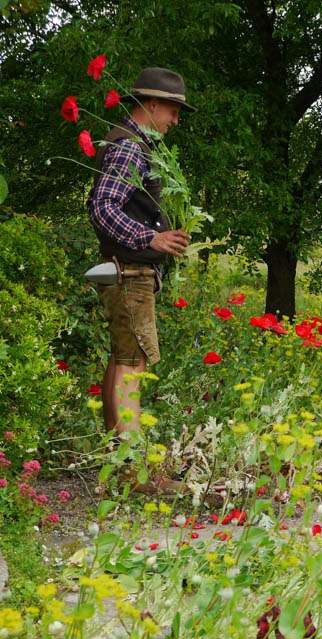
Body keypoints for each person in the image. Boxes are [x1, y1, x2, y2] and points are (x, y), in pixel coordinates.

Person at [87, 67, 193, 492]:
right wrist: (151, 237)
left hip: (128, 270)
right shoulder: (130, 146)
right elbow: (103, 207)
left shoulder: (133, 144)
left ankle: (117, 464)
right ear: (151, 104)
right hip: (129, 271)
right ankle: (133, 474)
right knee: (133, 365)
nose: (176, 119)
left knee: (122, 358)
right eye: (173, 109)